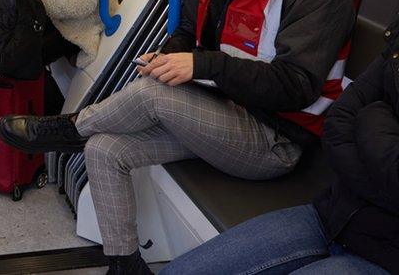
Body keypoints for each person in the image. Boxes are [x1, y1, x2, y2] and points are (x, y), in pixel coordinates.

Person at [0, 0, 358, 274]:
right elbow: (188, 26)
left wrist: (200, 66)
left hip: (273, 138)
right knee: (105, 148)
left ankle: (71, 126)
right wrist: (170, 56)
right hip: (221, 111)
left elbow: (297, 85)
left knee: (150, 96)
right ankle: (124, 264)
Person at [162, 14, 399, 275]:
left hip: (386, 255)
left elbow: (296, 86)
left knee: (152, 98)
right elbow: (338, 122)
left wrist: (371, 116)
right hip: (333, 214)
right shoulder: (395, 47)